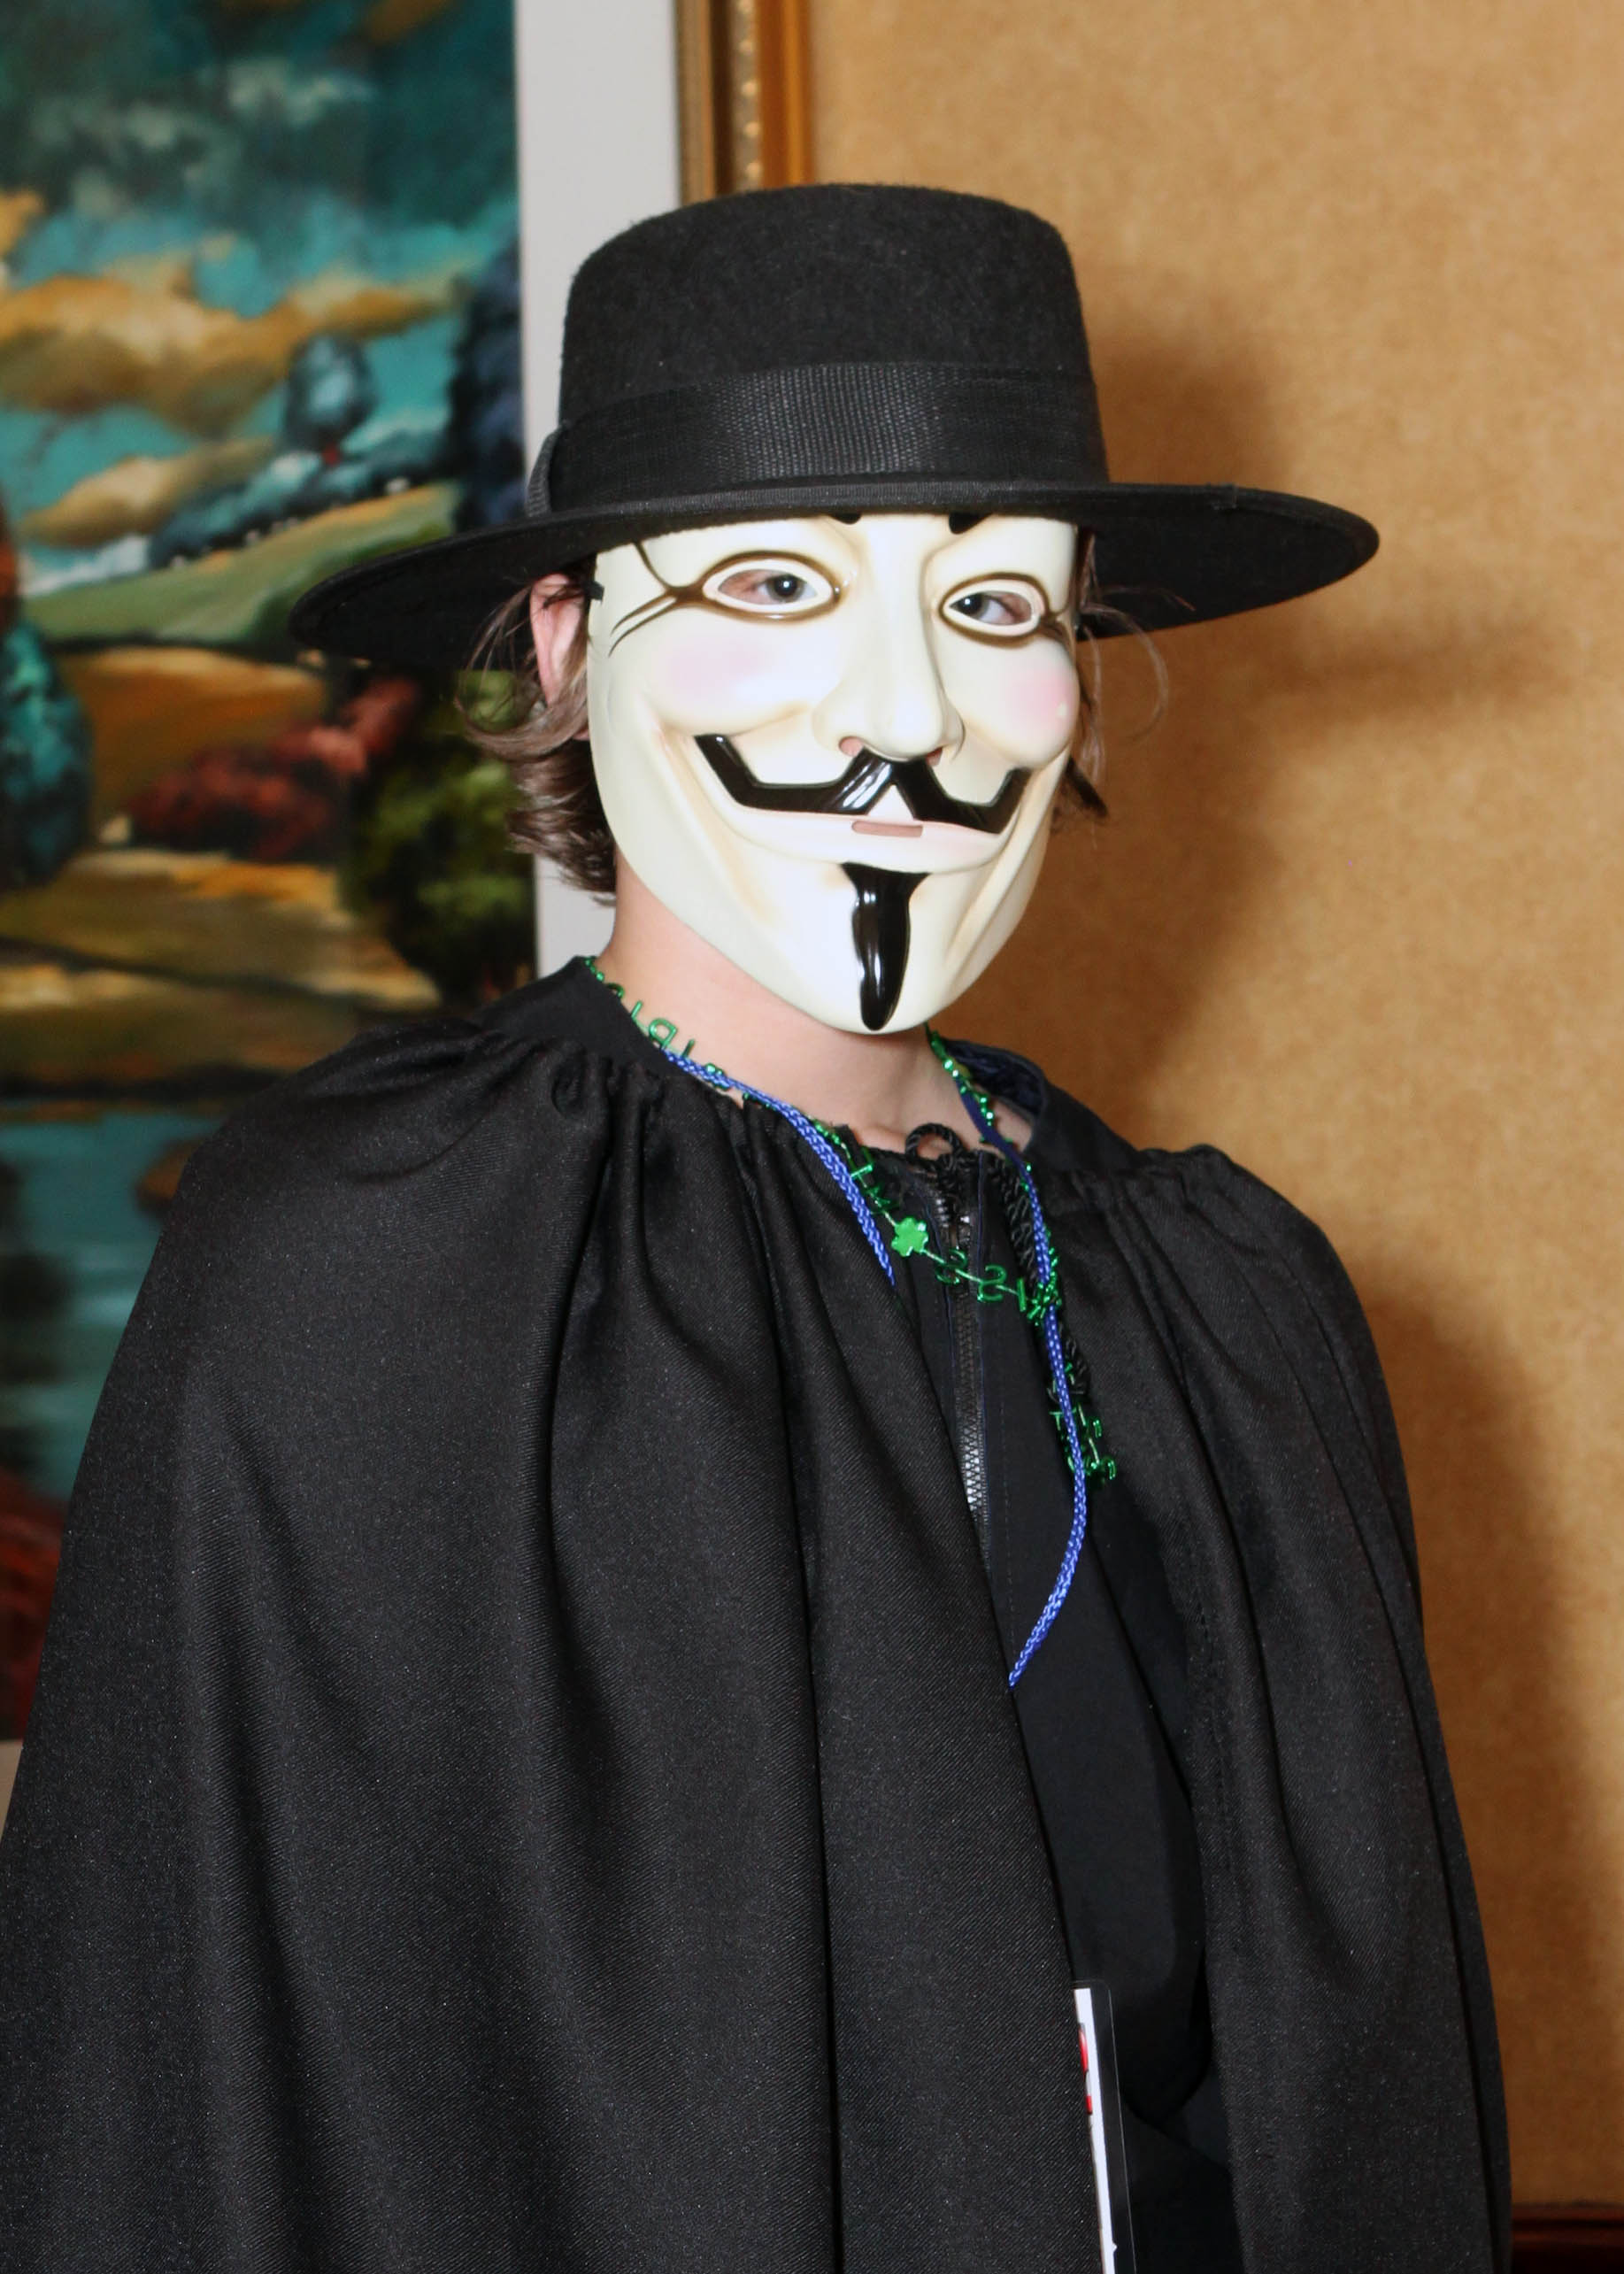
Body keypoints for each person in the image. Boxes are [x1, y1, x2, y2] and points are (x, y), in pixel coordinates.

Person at [0, 186, 1509, 2274]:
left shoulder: (1229, 1301)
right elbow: (203, 2086)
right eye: (779, 584)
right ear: (563, 644)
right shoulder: (368, 1274)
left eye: (995, 603)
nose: (903, 711)